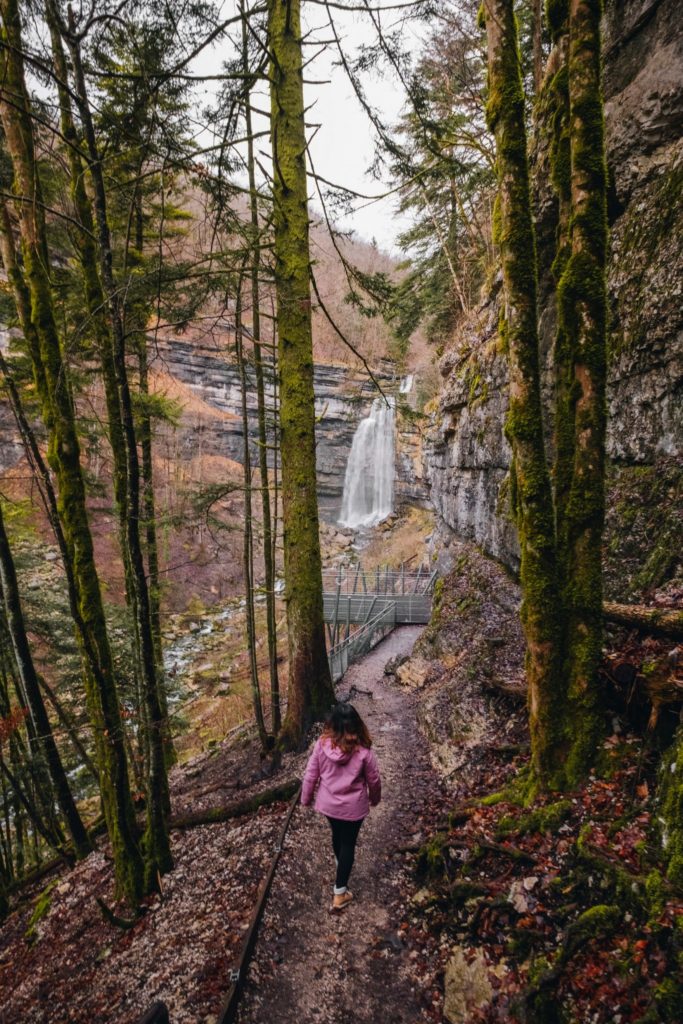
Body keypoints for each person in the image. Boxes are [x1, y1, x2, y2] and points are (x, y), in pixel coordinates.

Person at [301, 702, 382, 911]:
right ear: (356, 724)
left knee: (337, 835)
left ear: (333, 724)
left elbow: (311, 774)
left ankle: (341, 867)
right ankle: (340, 893)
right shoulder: (363, 751)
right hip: (353, 808)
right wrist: (375, 798)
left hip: (329, 806)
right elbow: (373, 779)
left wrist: (306, 798)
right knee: (348, 843)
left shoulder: (321, 745)